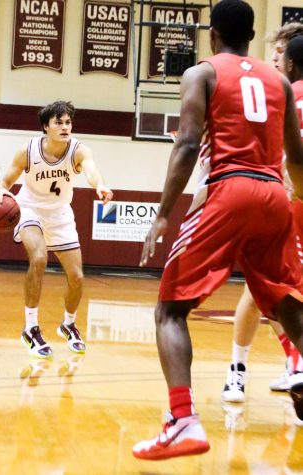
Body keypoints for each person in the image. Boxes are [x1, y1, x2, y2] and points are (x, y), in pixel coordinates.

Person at [132, 0, 303, 461]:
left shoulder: (202, 73)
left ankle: (182, 419)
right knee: (287, 301)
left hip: (230, 188)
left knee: (170, 309)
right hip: (275, 195)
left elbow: (188, 143)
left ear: (213, 33)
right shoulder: (281, 82)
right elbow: (298, 159)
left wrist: (164, 213)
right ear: (252, 34)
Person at [0, 101, 113, 358]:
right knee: (39, 258)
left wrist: (100, 186)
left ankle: (68, 324)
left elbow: (91, 170)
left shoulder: (78, 151)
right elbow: (5, 181)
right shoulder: (28, 151)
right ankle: (30, 327)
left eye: (68, 122)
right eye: (59, 122)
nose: (65, 127)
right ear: (46, 126)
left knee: (77, 277)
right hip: (29, 209)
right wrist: (0, 192)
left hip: (60, 215)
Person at [222, 22, 303, 403]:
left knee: (269, 292)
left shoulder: (283, 93)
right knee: (262, 291)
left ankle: (286, 363)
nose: (274, 56)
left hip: (283, 201)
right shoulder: (274, 92)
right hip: (281, 204)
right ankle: (239, 369)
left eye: (281, 50)